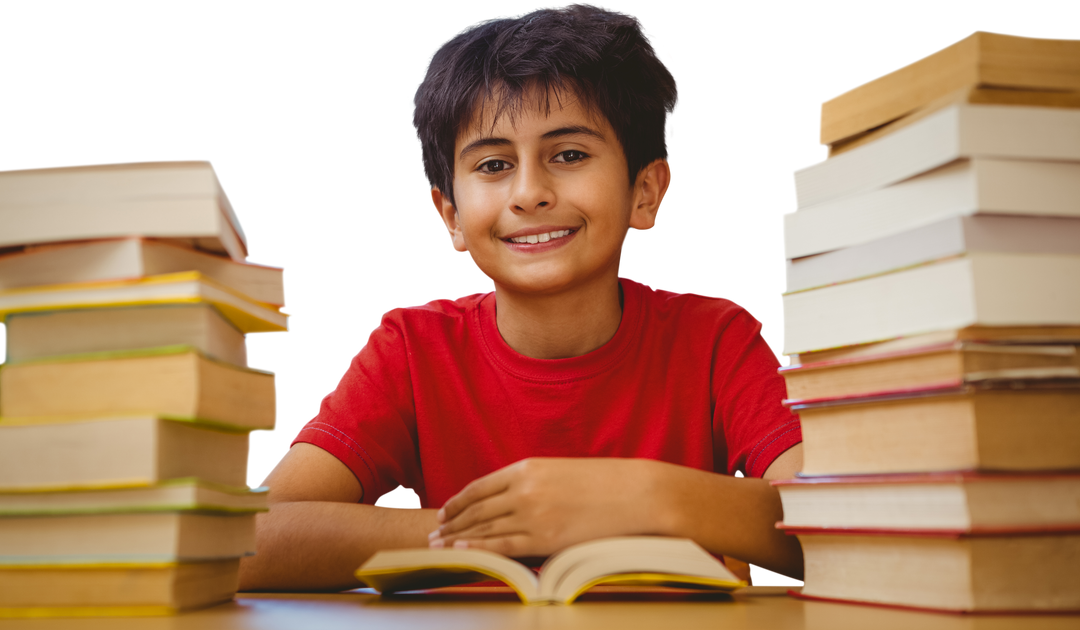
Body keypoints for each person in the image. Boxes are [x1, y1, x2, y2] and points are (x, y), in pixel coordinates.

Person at [238, 1, 803, 592]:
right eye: (493, 163)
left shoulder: (716, 338)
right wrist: (506, 532)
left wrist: (644, 497)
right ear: (450, 215)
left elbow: (848, 529)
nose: (529, 193)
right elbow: (251, 540)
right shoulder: (411, 348)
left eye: (569, 155)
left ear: (646, 191)